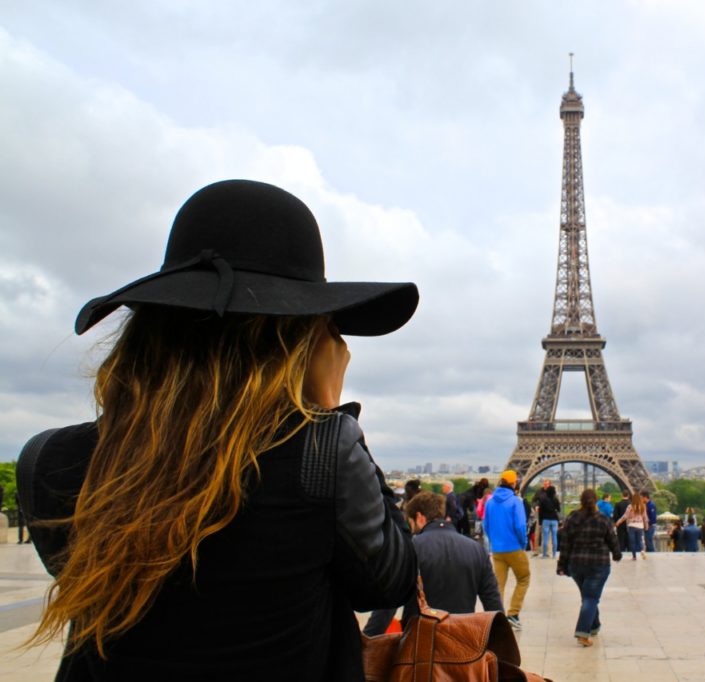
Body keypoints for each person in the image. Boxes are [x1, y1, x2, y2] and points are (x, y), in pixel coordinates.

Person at [18, 180, 420, 680]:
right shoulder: (322, 455)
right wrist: (326, 411)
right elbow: (388, 583)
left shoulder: (50, 460)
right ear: (294, 339)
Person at [363, 492, 504, 635]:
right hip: (462, 642)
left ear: (419, 517)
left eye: (410, 523)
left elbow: (388, 605)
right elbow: (492, 601)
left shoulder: (411, 548)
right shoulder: (476, 549)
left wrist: (367, 640)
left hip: (419, 643)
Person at [557, 489, 622, 647]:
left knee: (588, 597)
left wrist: (562, 565)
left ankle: (594, 625)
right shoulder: (603, 519)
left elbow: (565, 544)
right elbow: (612, 539)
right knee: (590, 598)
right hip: (598, 564)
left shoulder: (572, 518)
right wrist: (617, 554)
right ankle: (582, 632)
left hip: (577, 564)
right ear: (596, 501)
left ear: (581, 501)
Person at [483, 470, 530, 629]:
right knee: (523, 579)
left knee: (498, 585)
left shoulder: (489, 502)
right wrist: (523, 543)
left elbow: (486, 526)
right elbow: (520, 525)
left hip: (497, 549)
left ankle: (497, 617)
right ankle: (513, 613)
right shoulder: (516, 501)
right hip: (514, 547)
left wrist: (495, 541)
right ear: (513, 483)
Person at [614, 492, 648, 560]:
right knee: (639, 541)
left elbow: (625, 516)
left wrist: (618, 522)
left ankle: (634, 556)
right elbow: (645, 517)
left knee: (632, 542)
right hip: (640, 526)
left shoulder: (630, 506)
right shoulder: (643, 506)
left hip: (632, 525)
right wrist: (646, 526)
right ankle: (642, 550)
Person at [538, 485, 562, 558]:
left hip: (546, 519)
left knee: (545, 537)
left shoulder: (543, 500)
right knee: (554, 537)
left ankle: (545, 555)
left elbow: (540, 512)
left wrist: (540, 522)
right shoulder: (556, 499)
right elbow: (559, 510)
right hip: (554, 519)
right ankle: (554, 554)